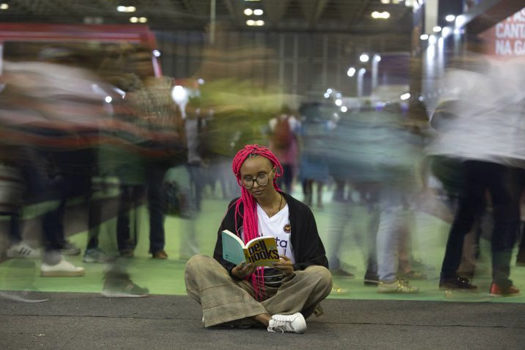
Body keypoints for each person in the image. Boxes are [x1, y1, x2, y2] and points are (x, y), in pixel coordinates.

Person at [185, 144, 332, 333]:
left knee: (322, 277)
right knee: (196, 264)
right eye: (248, 179)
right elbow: (220, 259)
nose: (255, 185)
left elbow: (318, 261)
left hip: (286, 289)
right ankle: (268, 320)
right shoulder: (236, 210)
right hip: (245, 287)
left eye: (261, 176)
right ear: (241, 180)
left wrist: (292, 269)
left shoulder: (299, 212)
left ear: (274, 172)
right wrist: (236, 271)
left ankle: (228, 311)